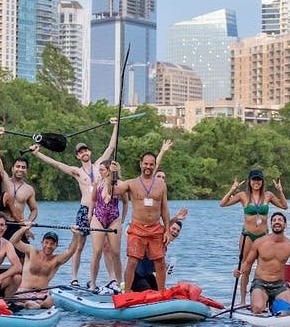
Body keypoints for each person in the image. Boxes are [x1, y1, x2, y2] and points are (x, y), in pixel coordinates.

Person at [28, 119, 123, 289]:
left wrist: (115, 125)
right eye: (80, 152)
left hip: (101, 210)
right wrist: (36, 154)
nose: (84, 153)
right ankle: (74, 278)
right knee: (79, 246)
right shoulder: (77, 171)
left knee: (107, 247)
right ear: (78, 156)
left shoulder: (100, 166)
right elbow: (56, 164)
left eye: (85, 150)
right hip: (85, 209)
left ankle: (112, 279)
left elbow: (111, 147)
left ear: (89, 152)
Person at [115, 148, 173, 294]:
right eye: (145, 164)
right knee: (132, 261)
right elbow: (113, 190)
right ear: (141, 164)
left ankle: (161, 293)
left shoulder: (161, 184)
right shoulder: (131, 183)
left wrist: (167, 230)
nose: (148, 167)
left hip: (156, 228)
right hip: (137, 227)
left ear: (154, 165)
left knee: (160, 262)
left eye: (151, 164)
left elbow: (165, 208)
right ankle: (126, 292)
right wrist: (112, 174)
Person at [235, 212, 290, 313]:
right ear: (271, 224)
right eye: (274, 220)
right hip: (260, 284)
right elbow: (247, 263)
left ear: (285, 225)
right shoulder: (260, 242)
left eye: (280, 220)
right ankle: (265, 303)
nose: (277, 222)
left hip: (279, 286)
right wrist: (240, 272)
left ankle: (273, 304)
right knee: (258, 308)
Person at [9, 227, 82, 308]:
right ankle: (28, 304)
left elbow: (71, 251)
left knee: (50, 301)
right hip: (23, 292)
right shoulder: (32, 251)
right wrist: (24, 228)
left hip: (41, 295)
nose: (48, 246)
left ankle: (34, 306)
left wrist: (76, 235)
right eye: (46, 242)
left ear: (56, 246)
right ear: (42, 243)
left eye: (52, 244)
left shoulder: (56, 260)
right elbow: (13, 241)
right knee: (14, 296)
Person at [0, 128, 39, 234]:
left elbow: (34, 210)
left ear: (26, 170)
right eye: (17, 166)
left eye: (23, 167)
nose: (20, 169)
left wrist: (29, 222)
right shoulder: (4, 180)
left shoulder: (29, 189)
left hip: (18, 225)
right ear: (12, 168)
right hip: (2, 225)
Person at [133, 208, 188, 291]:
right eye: (173, 229)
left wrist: (164, 269)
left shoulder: (164, 247)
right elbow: (164, 228)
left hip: (148, 276)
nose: (175, 232)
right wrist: (175, 218)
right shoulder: (158, 238)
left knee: (163, 292)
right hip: (137, 277)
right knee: (152, 294)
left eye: (178, 231)